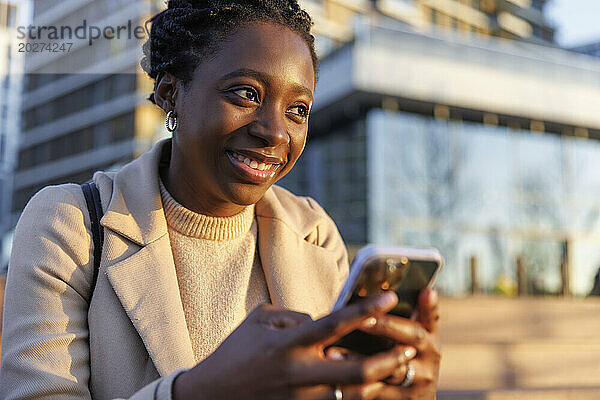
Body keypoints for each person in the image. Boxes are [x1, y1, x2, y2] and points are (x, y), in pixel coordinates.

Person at [0, 1, 440, 399]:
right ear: (171, 93)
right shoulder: (69, 224)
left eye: (298, 109)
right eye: (246, 94)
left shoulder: (314, 232)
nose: (276, 131)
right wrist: (200, 391)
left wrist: (402, 392)